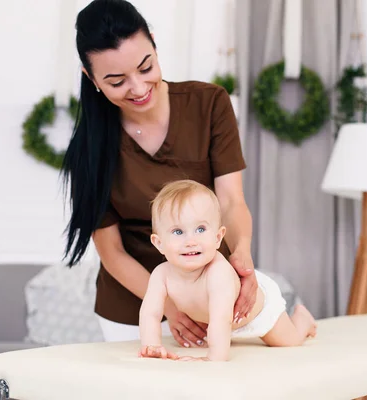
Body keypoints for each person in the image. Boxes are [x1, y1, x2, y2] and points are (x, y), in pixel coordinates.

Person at [62, 0, 258, 348]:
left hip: (211, 296)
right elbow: (112, 252)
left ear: (153, 43)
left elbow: (230, 200)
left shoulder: (209, 104)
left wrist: (242, 252)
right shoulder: (88, 150)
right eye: (117, 81)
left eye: (145, 67)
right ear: (91, 79)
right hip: (133, 310)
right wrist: (169, 307)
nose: (138, 88)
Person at [138, 180, 317, 361]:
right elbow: (150, 313)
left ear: (218, 238)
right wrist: (152, 346)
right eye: (178, 232)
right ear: (159, 243)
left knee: (290, 340)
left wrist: (213, 358)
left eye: (200, 229)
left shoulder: (217, 272)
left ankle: (303, 319)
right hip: (218, 323)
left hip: (256, 311)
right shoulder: (161, 275)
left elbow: (221, 319)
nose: (190, 241)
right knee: (215, 333)